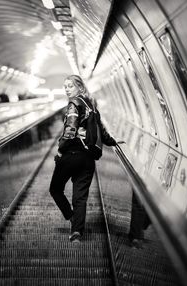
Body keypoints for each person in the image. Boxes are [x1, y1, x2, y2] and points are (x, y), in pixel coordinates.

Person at [49, 74, 117, 243]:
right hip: (88, 159)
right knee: (80, 197)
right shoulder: (91, 105)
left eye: (70, 86)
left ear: (79, 87)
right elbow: (100, 129)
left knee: (55, 189)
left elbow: (70, 129)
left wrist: (60, 150)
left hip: (71, 155)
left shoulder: (74, 104)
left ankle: (72, 218)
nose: (66, 89)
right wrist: (112, 141)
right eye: (65, 86)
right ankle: (76, 232)